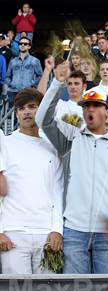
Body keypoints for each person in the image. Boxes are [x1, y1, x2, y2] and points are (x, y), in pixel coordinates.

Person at [35, 61, 108, 274]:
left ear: (107, 110)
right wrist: (57, 83)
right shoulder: (71, 137)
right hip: (74, 231)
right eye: (86, 106)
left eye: (95, 105)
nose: (89, 109)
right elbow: (42, 119)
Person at [0, 88, 63, 274]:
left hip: (47, 235)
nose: (27, 111)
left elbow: (58, 191)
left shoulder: (53, 147)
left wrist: (57, 229)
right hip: (13, 234)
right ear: (17, 113)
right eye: (21, 108)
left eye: (32, 106)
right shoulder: (5, 144)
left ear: (41, 109)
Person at [5, 37, 42, 109]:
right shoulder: (13, 61)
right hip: (13, 92)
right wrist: (11, 84)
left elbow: (40, 76)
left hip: (27, 92)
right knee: (13, 116)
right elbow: (7, 76)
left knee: (26, 113)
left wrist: (32, 84)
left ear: (29, 46)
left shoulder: (35, 61)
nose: (22, 45)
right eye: (20, 43)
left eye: (25, 44)